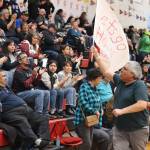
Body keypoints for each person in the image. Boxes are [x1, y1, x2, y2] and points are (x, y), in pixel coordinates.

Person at [92, 47, 149, 150]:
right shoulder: (120, 81)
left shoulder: (139, 85)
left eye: (124, 69)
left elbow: (142, 104)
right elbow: (106, 72)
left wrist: (122, 111)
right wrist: (96, 55)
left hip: (137, 129)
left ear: (133, 74)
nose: (121, 71)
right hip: (119, 128)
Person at [0, 69, 50, 149]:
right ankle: (36, 141)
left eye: (5, 76)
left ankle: (44, 141)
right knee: (23, 122)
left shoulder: (6, 88)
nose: (6, 78)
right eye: (3, 76)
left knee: (43, 118)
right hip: (11, 112)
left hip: (25, 109)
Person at [74, 68, 103, 150]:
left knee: (89, 142)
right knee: (86, 144)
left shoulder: (95, 88)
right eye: (100, 78)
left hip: (91, 120)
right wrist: (94, 111)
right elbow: (83, 103)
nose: (100, 81)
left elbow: (99, 101)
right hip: (82, 120)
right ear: (95, 78)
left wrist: (101, 109)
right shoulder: (84, 87)